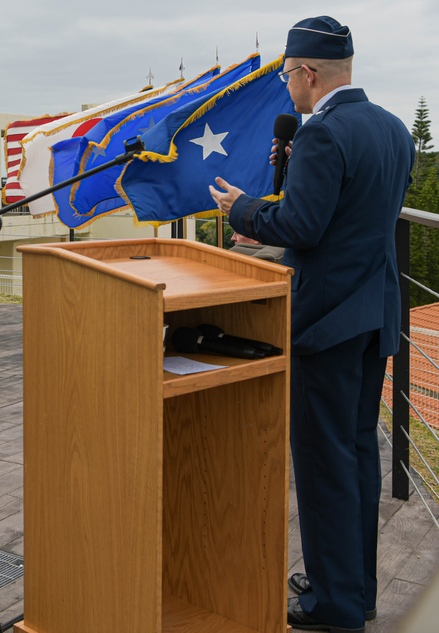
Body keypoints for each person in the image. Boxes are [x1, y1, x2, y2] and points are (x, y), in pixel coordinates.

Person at [209, 16, 415, 632]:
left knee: (325, 465)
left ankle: (333, 606)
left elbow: (302, 229)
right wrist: (282, 193)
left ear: (307, 73)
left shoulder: (323, 135)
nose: (286, 88)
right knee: (355, 456)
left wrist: (242, 207)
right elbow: (348, 218)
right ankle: (354, 589)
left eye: (286, 76)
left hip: (325, 322)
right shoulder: (392, 128)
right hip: (372, 314)